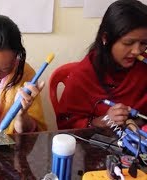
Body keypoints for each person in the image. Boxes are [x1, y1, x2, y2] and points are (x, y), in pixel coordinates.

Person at [57, 0, 147, 129]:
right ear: (106, 38)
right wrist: (102, 121)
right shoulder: (83, 75)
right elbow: (66, 124)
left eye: (144, 43)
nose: (137, 51)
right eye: (128, 43)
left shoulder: (143, 66)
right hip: (97, 145)